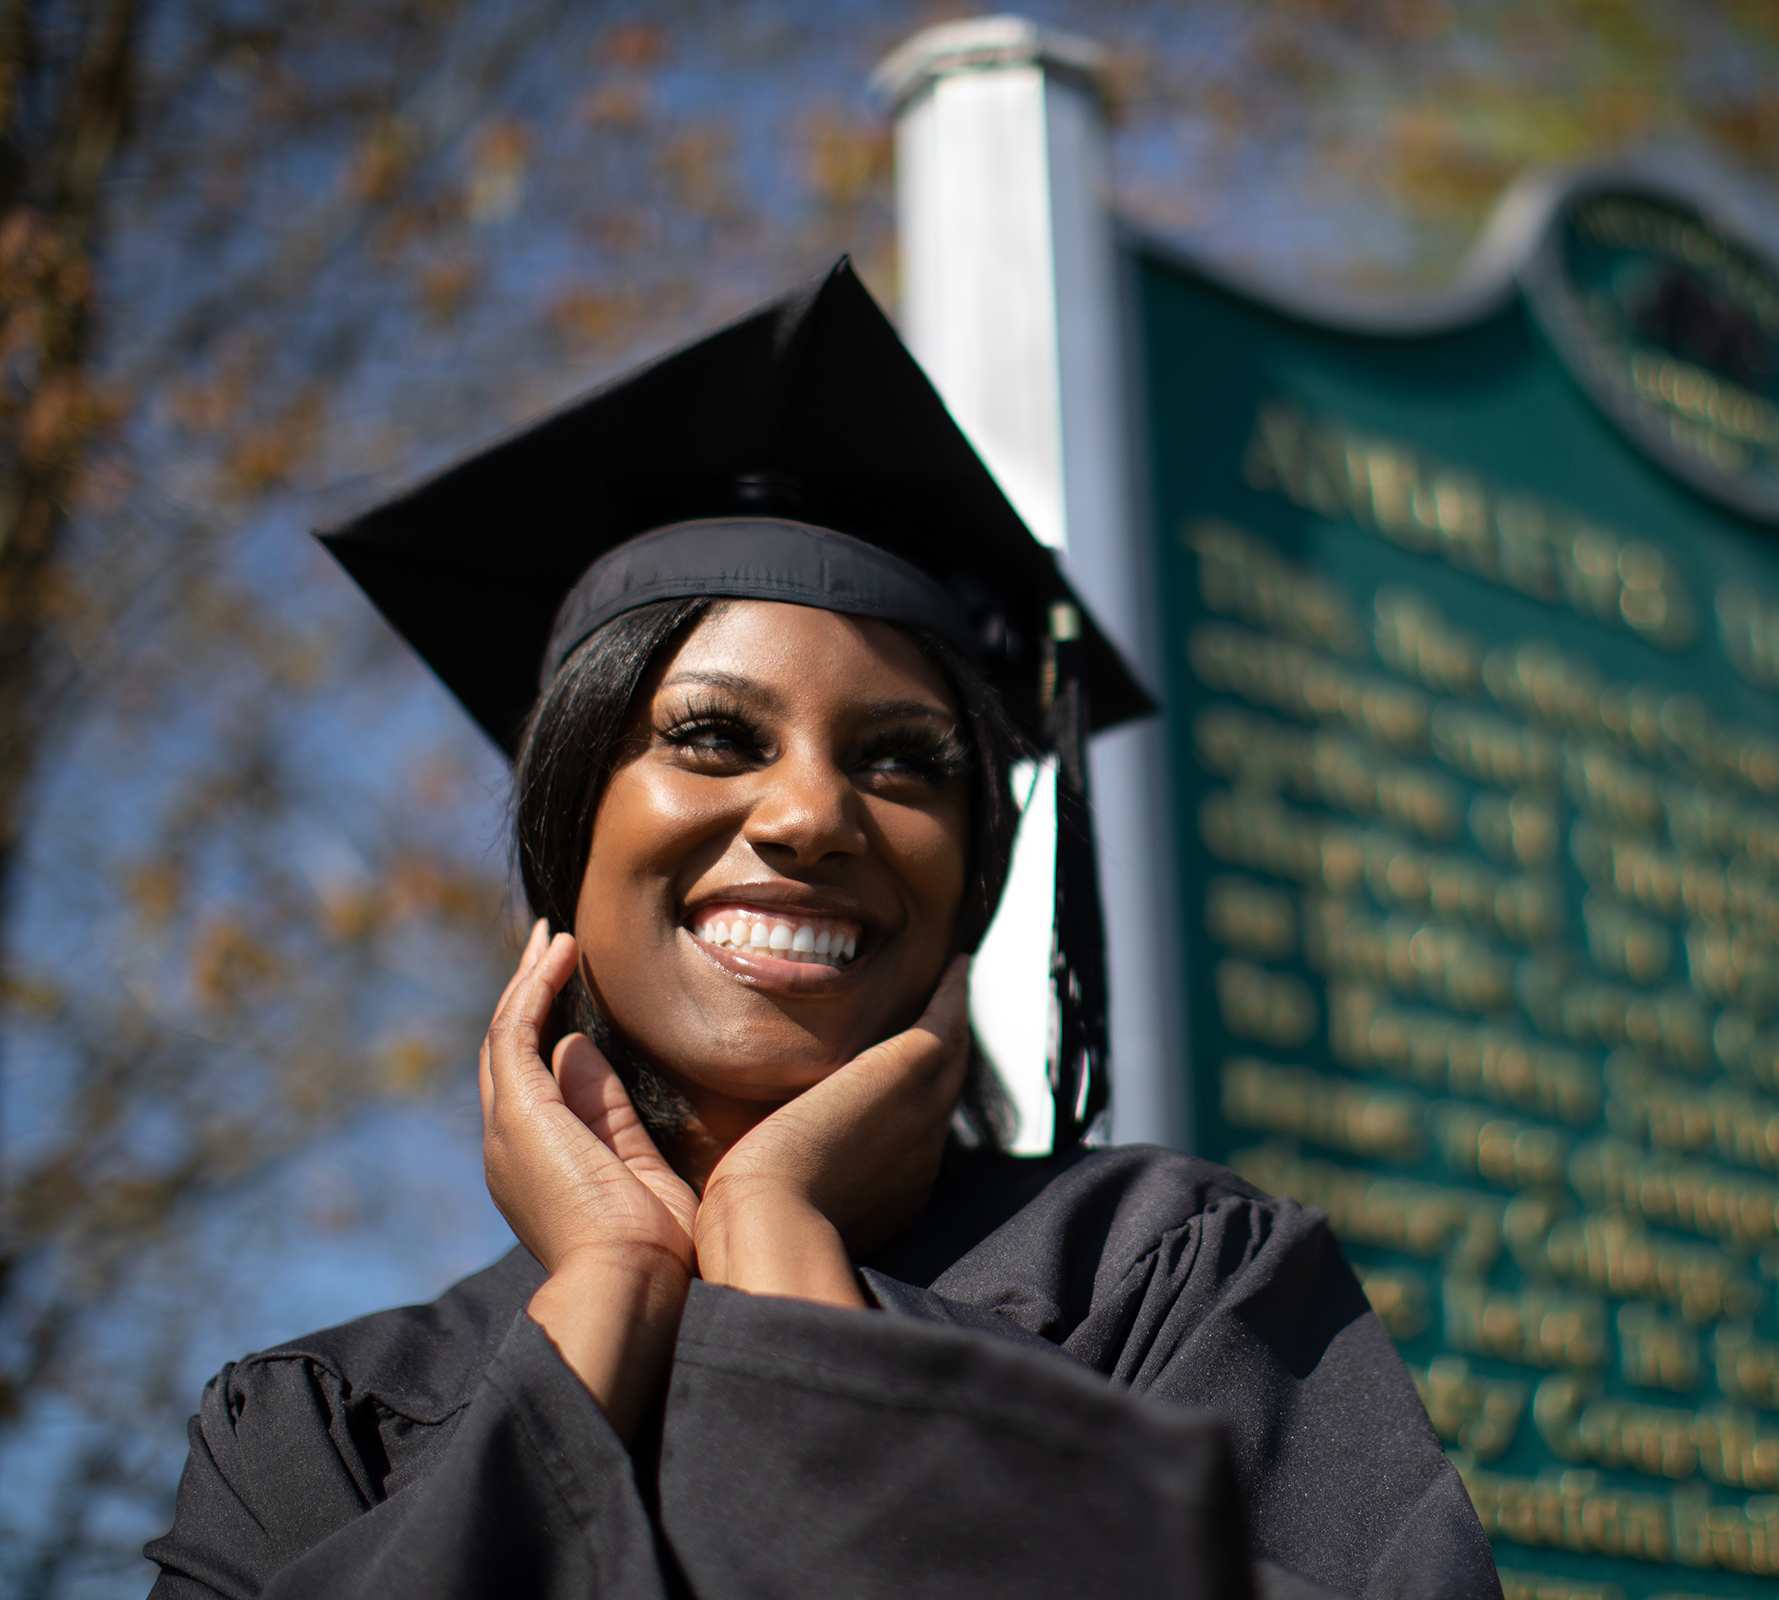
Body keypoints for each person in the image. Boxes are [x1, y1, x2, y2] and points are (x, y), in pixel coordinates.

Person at [141, 262, 1502, 1600]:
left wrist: (780, 1253)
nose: (811, 814)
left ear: (976, 866)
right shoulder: (322, 1428)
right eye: (713, 737)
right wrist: (607, 1297)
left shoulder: (1169, 1280)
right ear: (565, 831)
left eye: (907, 763)